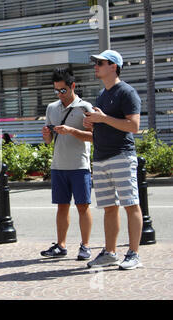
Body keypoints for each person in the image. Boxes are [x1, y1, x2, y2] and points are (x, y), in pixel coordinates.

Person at [84, 49, 143, 270]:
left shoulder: (127, 92)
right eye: (96, 62)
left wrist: (103, 118)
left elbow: (134, 126)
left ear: (113, 67)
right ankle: (110, 252)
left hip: (122, 155)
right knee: (109, 207)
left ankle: (134, 254)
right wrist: (93, 122)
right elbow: (106, 122)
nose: (96, 65)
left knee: (131, 205)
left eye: (100, 62)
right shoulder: (102, 94)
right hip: (100, 158)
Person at [40, 68, 94, 261]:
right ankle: (61, 245)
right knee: (61, 207)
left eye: (63, 90)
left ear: (72, 86)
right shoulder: (52, 108)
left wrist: (72, 131)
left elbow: (95, 137)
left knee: (83, 207)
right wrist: (46, 136)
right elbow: (48, 140)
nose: (60, 95)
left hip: (79, 166)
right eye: (56, 91)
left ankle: (86, 246)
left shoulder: (85, 107)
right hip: (58, 166)